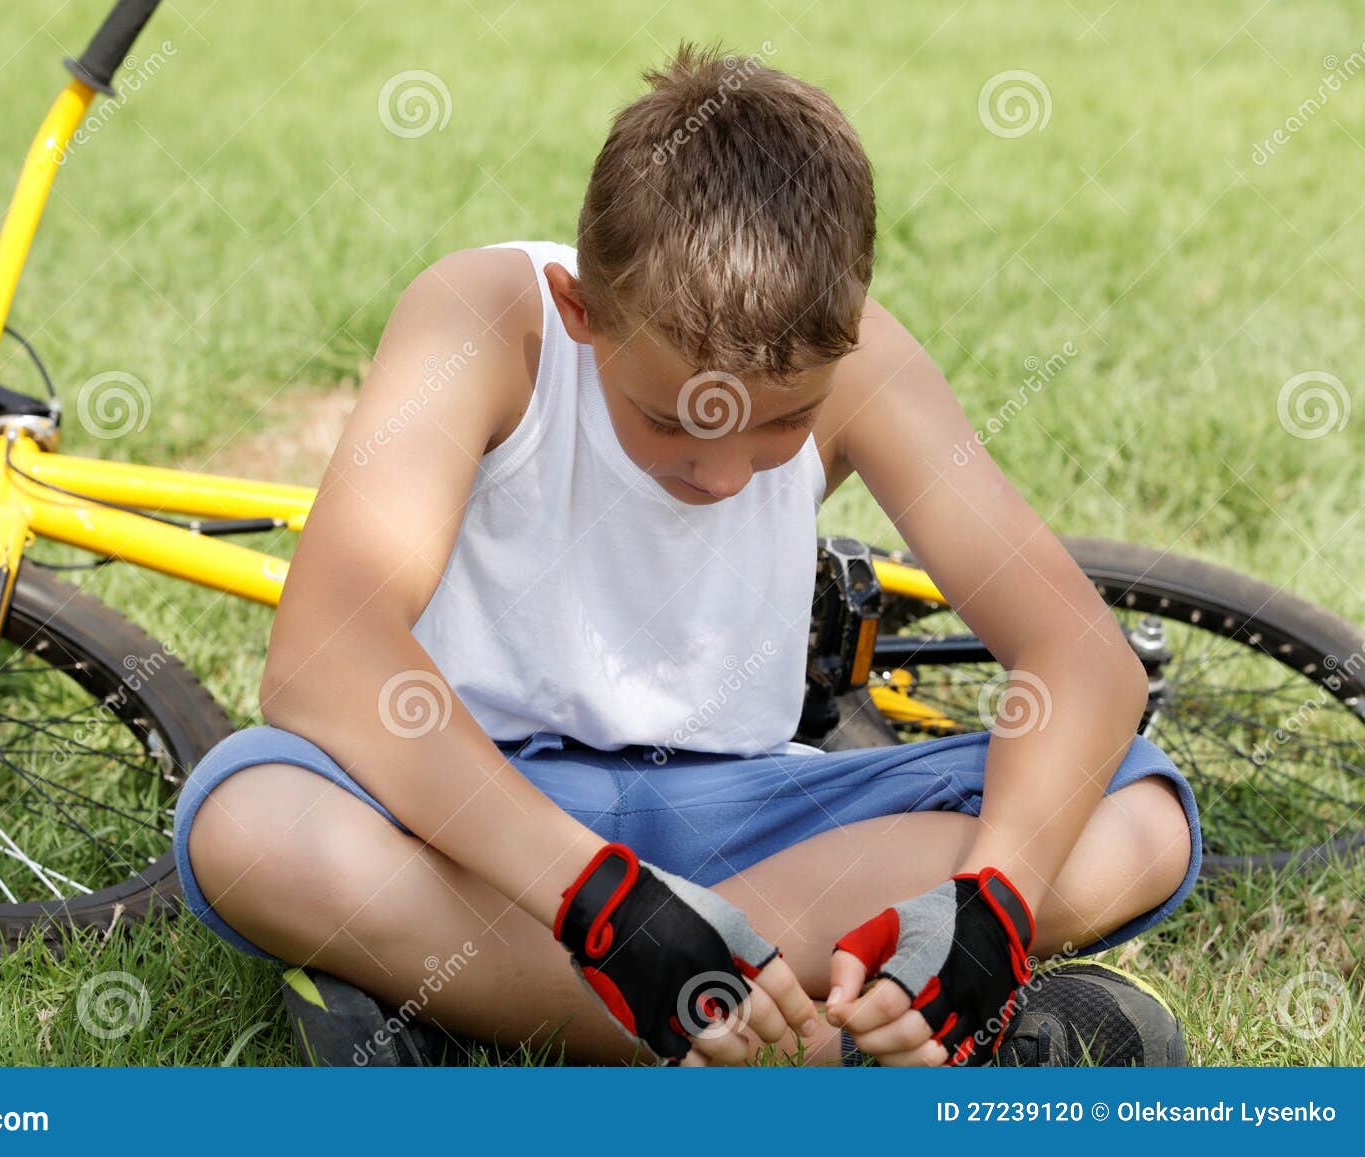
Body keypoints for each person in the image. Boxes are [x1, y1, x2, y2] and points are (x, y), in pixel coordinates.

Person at [171, 43, 1200, 1067]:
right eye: (667, 420)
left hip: (742, 810)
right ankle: (819, 1029)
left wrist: (996, 904)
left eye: (779, 425)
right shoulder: (485, 317)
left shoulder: (865, 361)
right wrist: (602, 903)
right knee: (251, 820)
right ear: (582, 313)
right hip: (474, 805)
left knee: (1135, 811)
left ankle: (486, 1003)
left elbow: (1082, 661)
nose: (719, 474)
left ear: (840, 343)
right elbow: (326, 659)